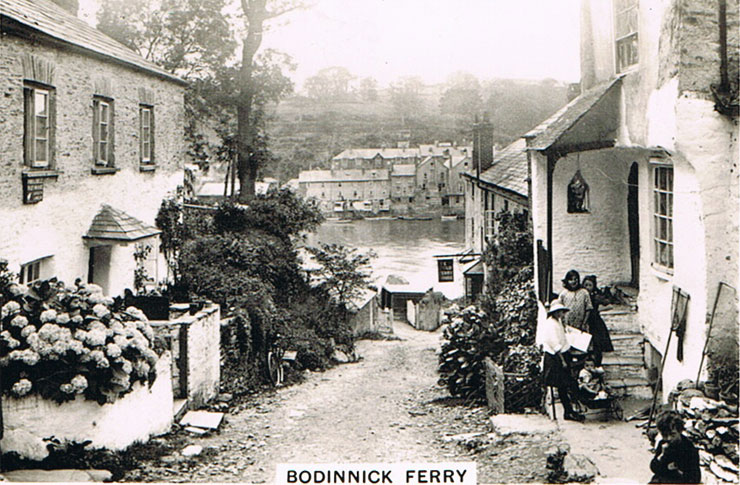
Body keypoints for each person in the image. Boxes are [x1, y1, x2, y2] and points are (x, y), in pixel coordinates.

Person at [537, 300, 585, 422]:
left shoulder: (557, 322)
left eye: (561, 312)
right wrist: (563, 361)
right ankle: (568, 411)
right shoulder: (550, 325)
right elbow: (555, 343)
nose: (560, 314)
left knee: (564, 386)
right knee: (563, 385)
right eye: (557, 312)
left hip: (562, 354)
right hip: (555, 358)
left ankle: (569, 410)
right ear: (553, 312)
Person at [649, 411, 701, 483]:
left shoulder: (688, 447)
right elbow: (654, 468)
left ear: (680, 431)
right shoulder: (663, 444)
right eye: (664, 435)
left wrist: (678, 469)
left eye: (672, 434)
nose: (669, 438)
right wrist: (661, 457)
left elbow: (695, 477)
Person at [582, 275, 614, 367]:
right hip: (583, 320)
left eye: (590, 285)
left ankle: (596, 364)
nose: (587, 287)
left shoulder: (595, 296)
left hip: (594, 322)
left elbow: (608, 303)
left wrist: (597, 310)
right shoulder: (581, 294)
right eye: (586, 285)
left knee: (597, 344)